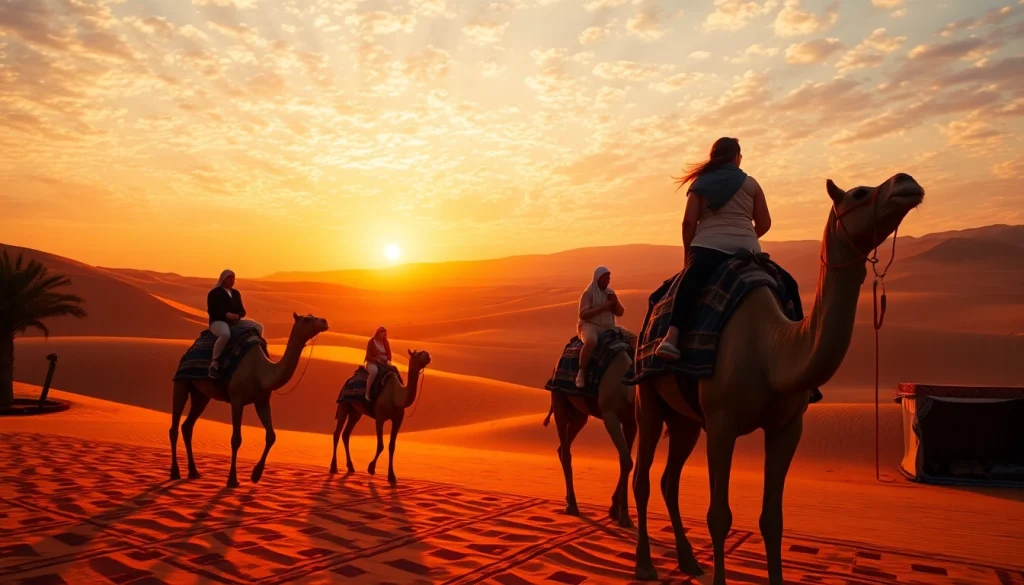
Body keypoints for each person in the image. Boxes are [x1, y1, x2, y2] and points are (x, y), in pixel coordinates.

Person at [655, 137, 771, 361]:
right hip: (749, 251)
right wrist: (745, 238)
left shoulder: (701, 183)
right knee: (784, 285)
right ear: (736, 157)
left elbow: (688, 223)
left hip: (708, 246)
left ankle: (672, 336)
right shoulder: (752, 184)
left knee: (689, 284)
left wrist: (688, 255)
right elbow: (765, 223)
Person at [576, 266, 636, 389]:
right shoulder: (588, 293)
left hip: (609, 327)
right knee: (591, 341)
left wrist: (615, 302)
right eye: (605, 278)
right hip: (590, 325)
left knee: (634, 338)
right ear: (598, 279)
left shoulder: (610, 293)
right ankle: (581, 372)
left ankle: (635, 367)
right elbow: (583, 314)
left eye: (608, 278)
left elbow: (620, 312)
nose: (607, 280)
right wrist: (604, 307)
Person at [207, 269, 263, 378]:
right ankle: (214, 363)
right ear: (223, 278)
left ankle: (257, 353)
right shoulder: (214, 293)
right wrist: (225, 315)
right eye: (229, 277)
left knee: (258, 326)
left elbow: (242, 310)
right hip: (218, 322)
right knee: (225, 334)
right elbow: (212, 311)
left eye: (233, 278)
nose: (232, 280)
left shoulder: (236, 293)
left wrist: (239, 315)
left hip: (235, 322)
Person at [364, 326, 392, 400]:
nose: (384, 335)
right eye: (382, 333)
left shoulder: (385, 342)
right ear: (378, 333)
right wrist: (376, 359)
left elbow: (389, 355)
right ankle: (367, 393)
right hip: (372, 363)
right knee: (374, 372)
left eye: (385, 333)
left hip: (383, 363)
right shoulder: (371, 342)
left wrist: (386, 358)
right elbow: (368, 356)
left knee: (394, 372)